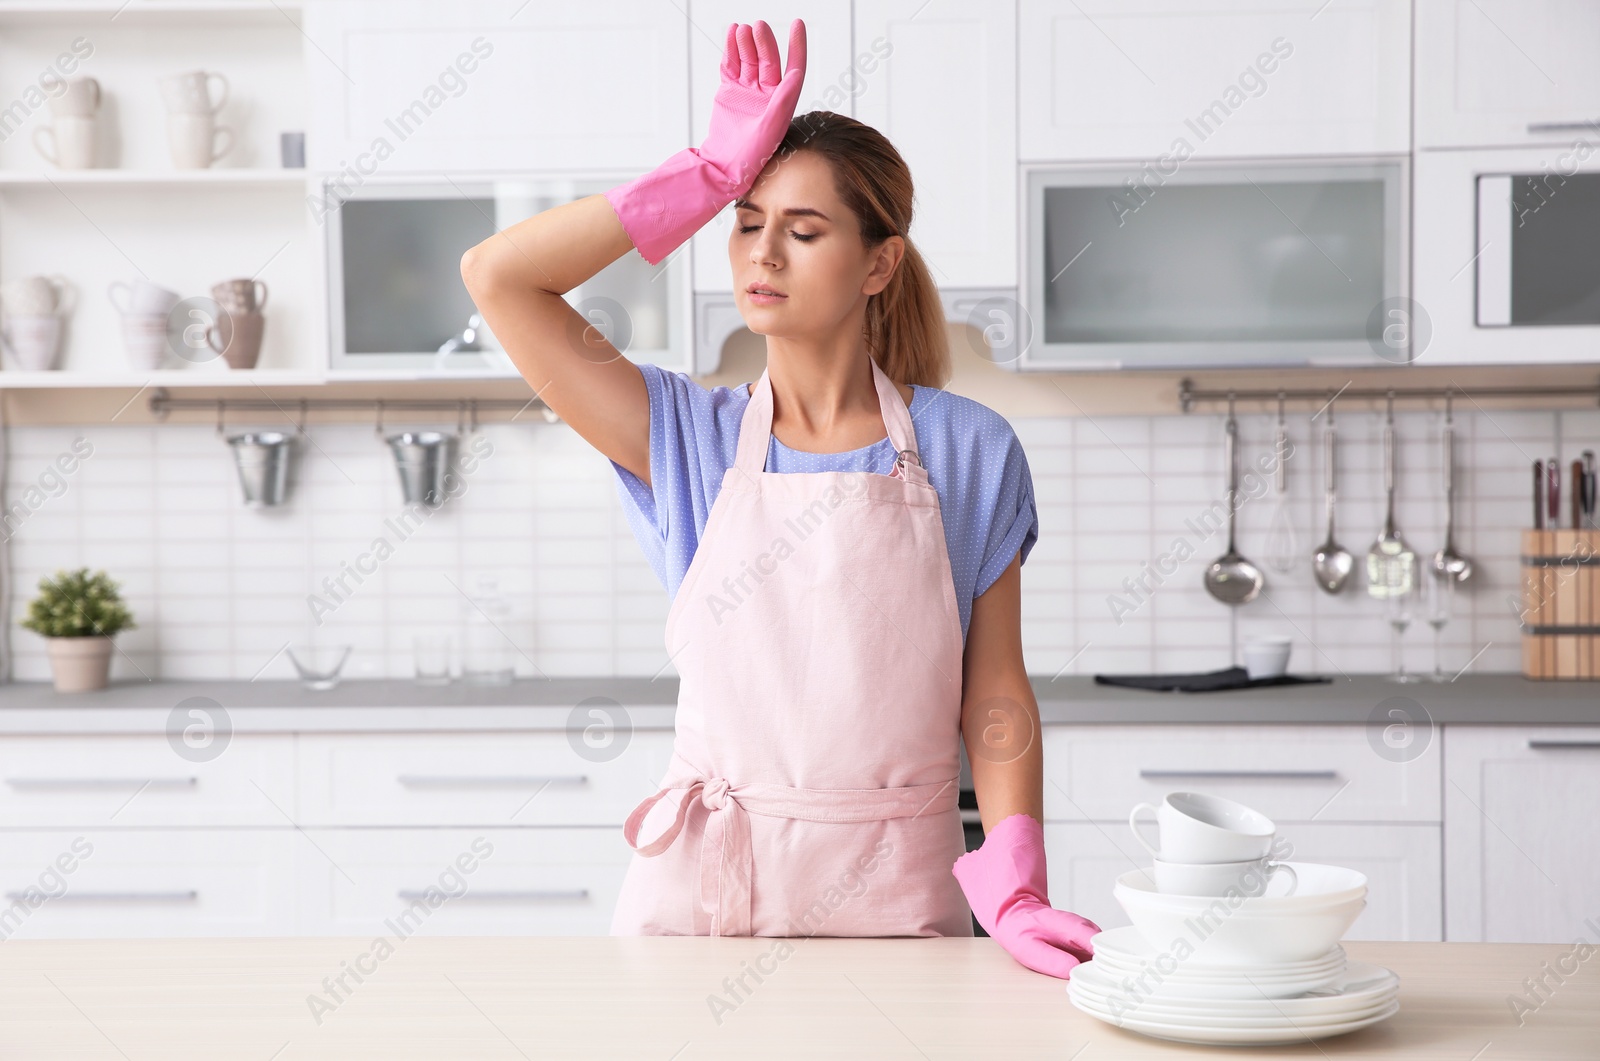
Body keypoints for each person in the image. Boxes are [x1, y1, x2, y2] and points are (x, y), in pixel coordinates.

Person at [460, 18, 1098, 978]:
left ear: (878, 265)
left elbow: (995, 690)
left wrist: (1013, 881)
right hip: (700, 909)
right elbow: (499, 277)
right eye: (747, 224)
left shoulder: (971, 450)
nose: (763, 254)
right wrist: (709, 170)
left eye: (802, 231)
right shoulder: (682, 434)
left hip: (898, 903)